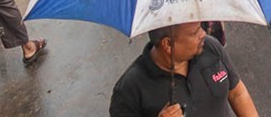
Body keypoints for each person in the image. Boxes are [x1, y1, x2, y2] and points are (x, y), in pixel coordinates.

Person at [109, 22, 258, 117]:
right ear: (168, 44)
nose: (203, 34)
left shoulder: (210, 47)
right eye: (195, 32)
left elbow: (237, 93)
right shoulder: (129, 90)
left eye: (201, 26)